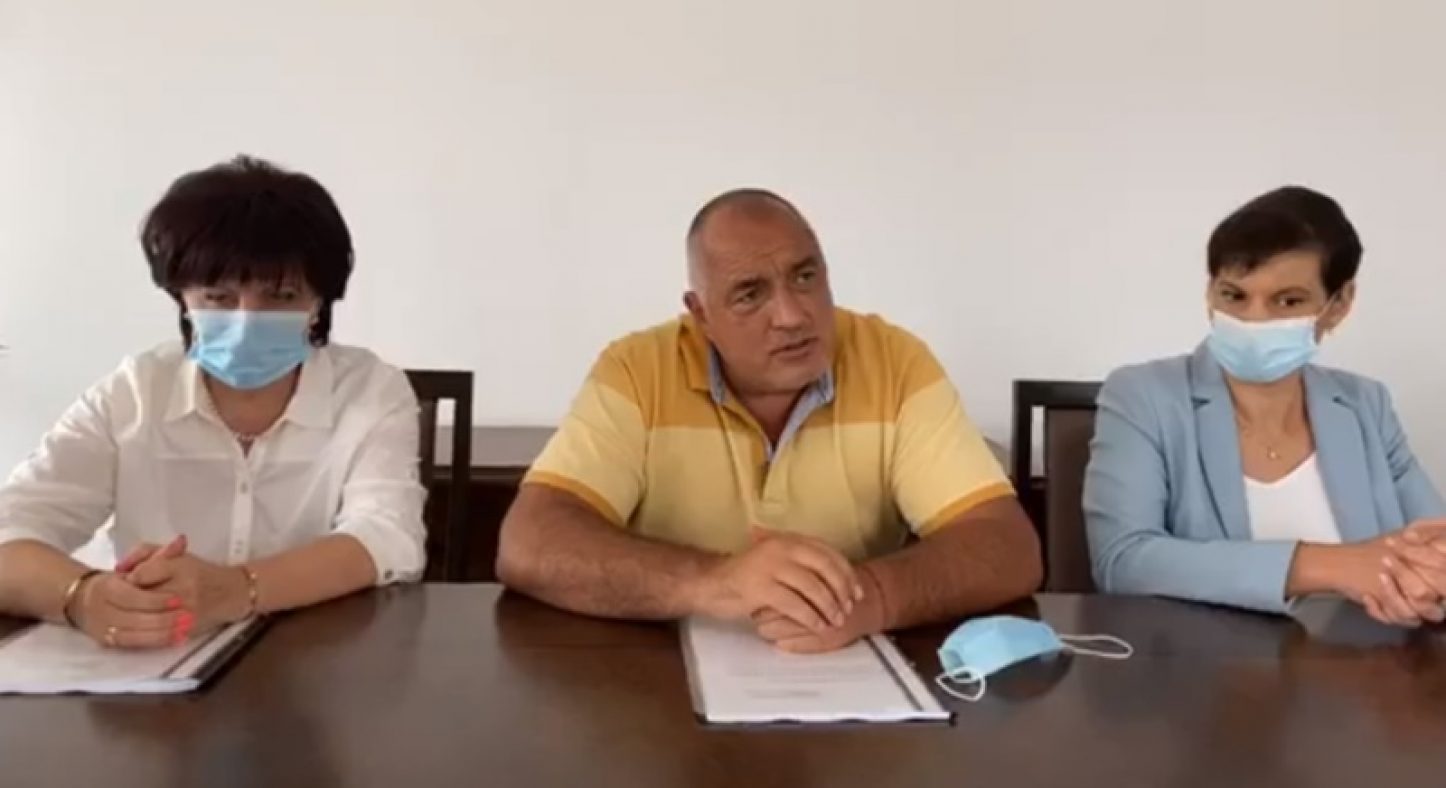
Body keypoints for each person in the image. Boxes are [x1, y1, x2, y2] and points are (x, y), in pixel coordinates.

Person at [498, 189, 1041, 653]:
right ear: (701, 314)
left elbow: (1007, 546)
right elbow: (529, 543)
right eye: (750, 294)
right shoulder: (637, 371)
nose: (791, 314)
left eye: (805, 277)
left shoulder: (896, 363)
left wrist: (873, 596)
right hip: (659, 685)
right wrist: (717, 582)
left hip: (845, 678)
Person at [0, 156, 427, 649]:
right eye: (219, 297)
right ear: (181, 297)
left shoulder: (370, 390)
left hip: (310, 656)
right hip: (142, 659)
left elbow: (388, 536)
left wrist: (237, 589)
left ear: (319, 302)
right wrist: (83, 596)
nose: (247, 320)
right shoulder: (132, 393)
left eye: (281, 295)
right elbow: (12, 527)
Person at [1085, 185, 1446, 625]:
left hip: (1367, 659)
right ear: (1209, 293)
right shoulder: (1142, 395)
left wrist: (1426, 579)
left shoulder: (1366, 404)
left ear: (1339, 304)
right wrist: (1336, 565)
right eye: (1234, 295)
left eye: (1288, 301)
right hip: (1209, 662)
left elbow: (1434, 542)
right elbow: (1123, 561)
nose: (1254, 319)